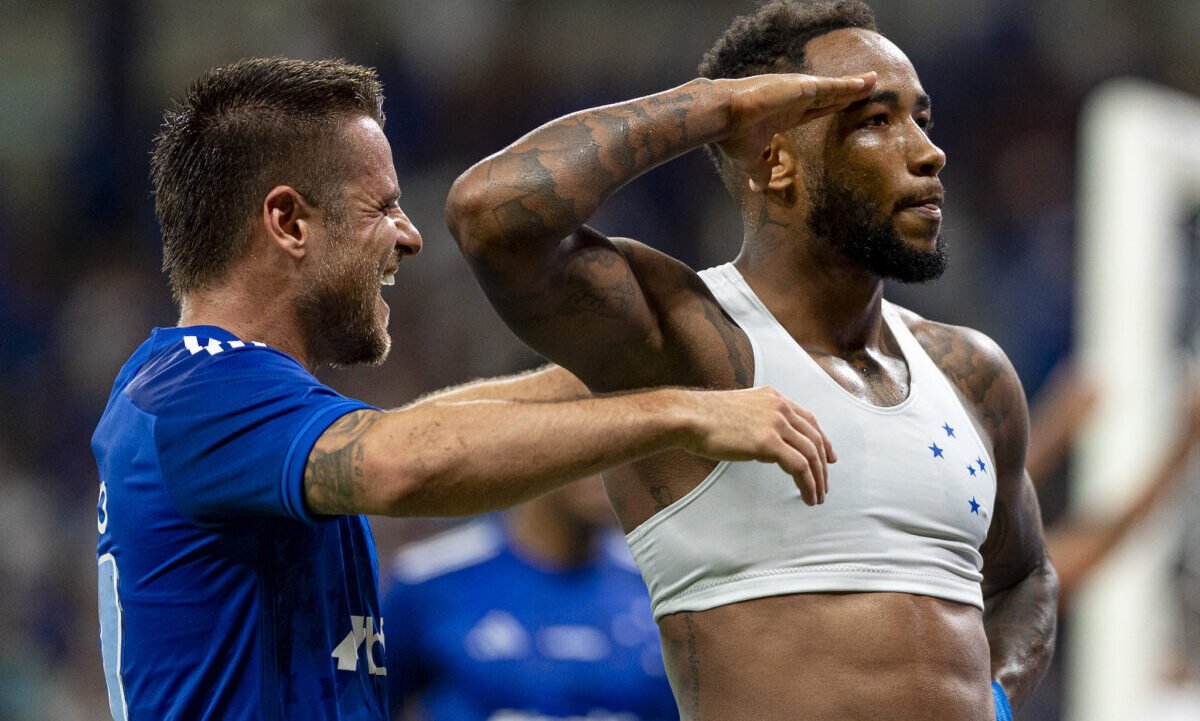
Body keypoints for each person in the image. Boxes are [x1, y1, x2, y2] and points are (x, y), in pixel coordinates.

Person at [90, 57, 839, 721]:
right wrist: (678, 412)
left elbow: (409, 429)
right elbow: (401, 460)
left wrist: (656, 367)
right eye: (381, 205)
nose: (409, 235)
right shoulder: (199, 389)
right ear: (288, 221)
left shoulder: (202, 391)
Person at [445, 1, 1059, 719]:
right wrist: (716, 106)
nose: (927, 151)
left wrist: (996, 698)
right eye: (876, 121)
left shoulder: (970, 370)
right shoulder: (683, 340)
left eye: (922, 118)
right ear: (776, 161)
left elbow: (1026, 580)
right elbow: (489, 215)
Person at [382, 475, 676, 721]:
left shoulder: (659, 587)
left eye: (625, 450)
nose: (608, 468)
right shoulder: (430, 578)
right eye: (593, 447)